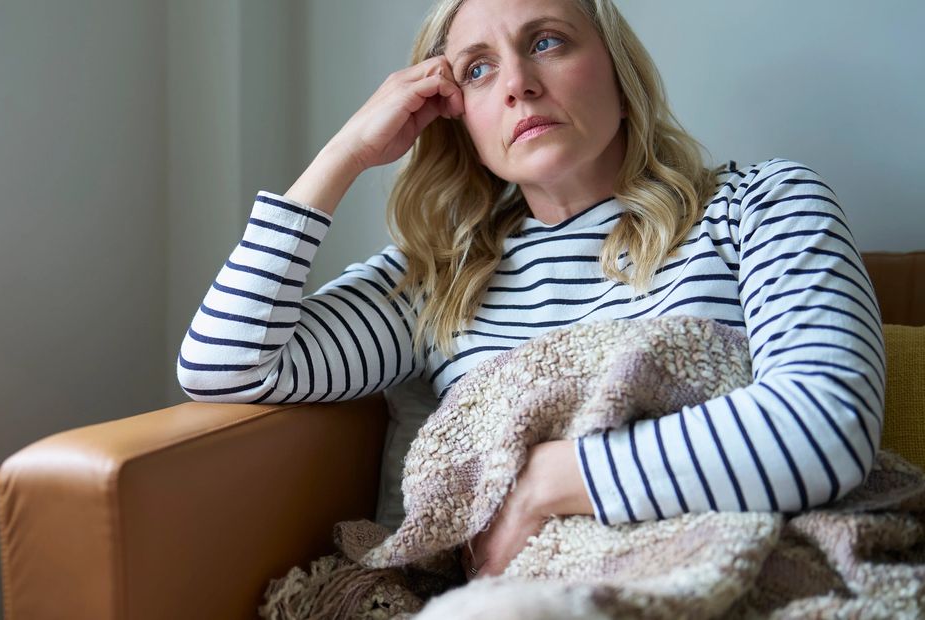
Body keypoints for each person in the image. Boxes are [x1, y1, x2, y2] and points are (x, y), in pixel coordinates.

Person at [176, 0, 884, 582]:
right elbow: (224, 365)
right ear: (458, 118)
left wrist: (542, 485)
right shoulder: (438, 281)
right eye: (477, 70)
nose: (517, 83)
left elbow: (828, 428)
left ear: (615, 68)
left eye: (546, 42)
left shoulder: (761, 204)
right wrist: (345, 154)